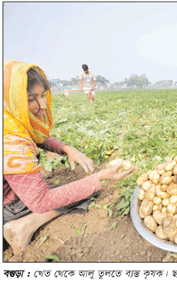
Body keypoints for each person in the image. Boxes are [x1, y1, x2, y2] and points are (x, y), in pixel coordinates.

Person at [3, 60, 135, 254]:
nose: (42, 105)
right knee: (87, 190)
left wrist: (65, 148)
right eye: (31, 99)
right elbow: (42, 201)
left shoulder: (8, 119)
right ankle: (23, 226)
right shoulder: (13, 143)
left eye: (42, 96)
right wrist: (100, 178)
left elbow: (38, 138)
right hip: (7, 208)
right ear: (13, 97)